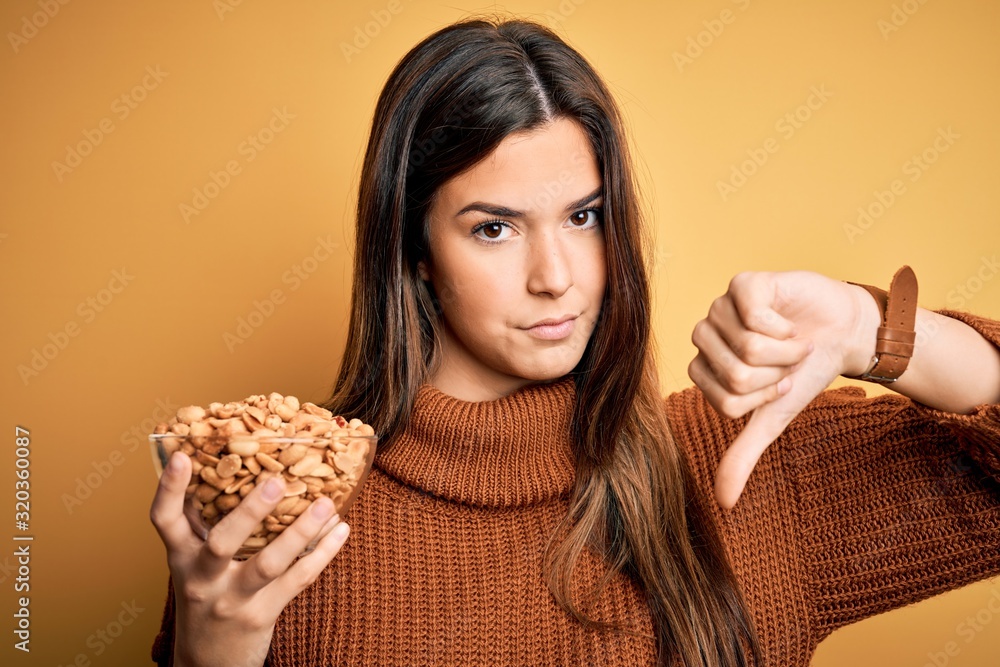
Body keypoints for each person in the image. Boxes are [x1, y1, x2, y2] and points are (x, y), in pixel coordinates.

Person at [149, 17, 1000, 667]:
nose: (556, 274)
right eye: (493, 229)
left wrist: (872, 328)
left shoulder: (744, 456)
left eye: (584, 216)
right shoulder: (284, 527)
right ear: (412, 247)